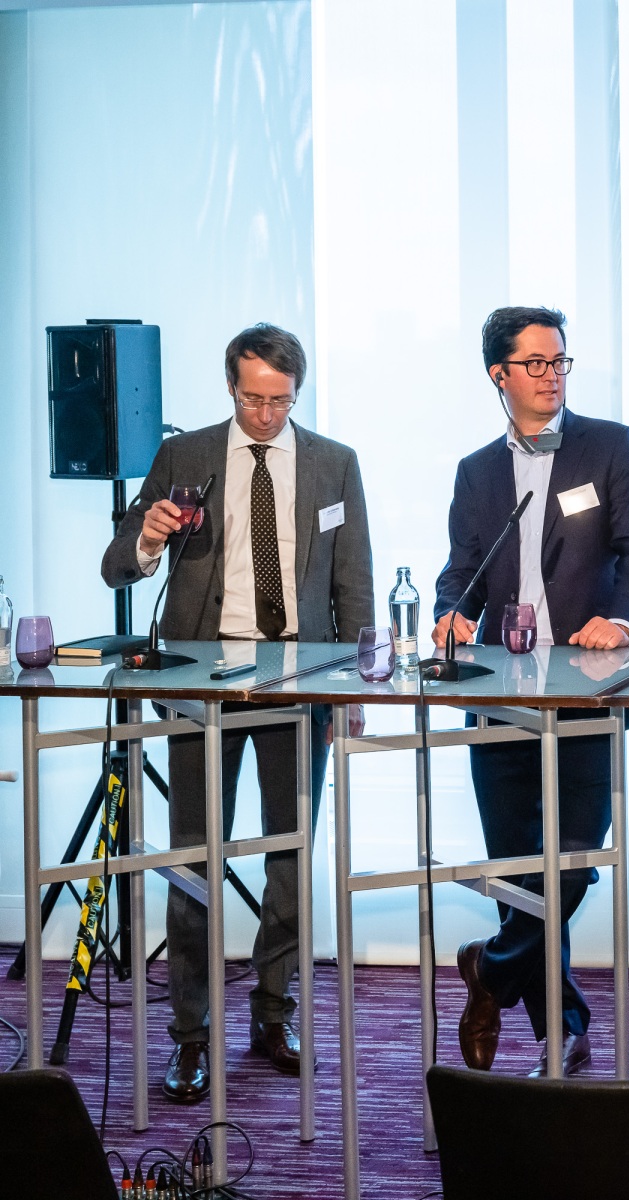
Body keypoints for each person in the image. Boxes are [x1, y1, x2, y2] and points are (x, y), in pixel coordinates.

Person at [101, 323, 374, 1102]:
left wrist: (354, 686)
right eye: (253, 399)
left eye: (280, 401)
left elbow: (352, 583)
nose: (265, 415)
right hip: (201, 680)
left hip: (299, 677)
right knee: (193, 859)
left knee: (290, 855)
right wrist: (149, 538)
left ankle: (274, 1012)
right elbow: (117, 563)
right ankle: (190, 1035)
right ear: (230, 387)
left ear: (297, 392)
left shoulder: (334, 463)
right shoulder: (184, 457)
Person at [435, 305, 629, 1078]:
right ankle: (561, 1033)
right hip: (500, 690)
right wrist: (449, 614)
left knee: (569, 862)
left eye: (559, 360)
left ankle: (492, 970)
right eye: (534, 363)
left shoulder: (611, 446)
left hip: (587, 690)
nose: (551, 375)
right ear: (498, 374)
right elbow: (462, 570)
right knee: (517, 871)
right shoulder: (476, 472)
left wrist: (624, 622)